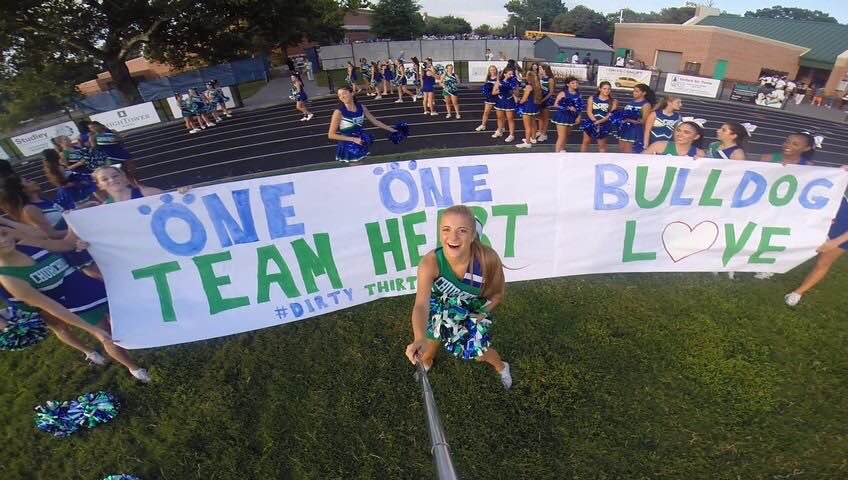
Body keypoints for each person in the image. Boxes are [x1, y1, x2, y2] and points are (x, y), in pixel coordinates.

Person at [0, 229, 151, 382]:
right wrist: (92, 330)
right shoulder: (9, 278)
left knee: (129, 316)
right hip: (79, 305)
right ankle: (134, 368)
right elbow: (52, 307)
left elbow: (65, 244)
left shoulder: (30, 244)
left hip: (95, 286)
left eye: (3, 234)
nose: (3, 240)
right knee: (107, 336)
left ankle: (152, 340)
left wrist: (73, 227)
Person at [403, 205, 512, 389]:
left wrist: (483, 313)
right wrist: (419, 337)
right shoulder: (430, 263)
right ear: (440, 232)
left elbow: (497, 295)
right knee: (429, 345)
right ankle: (427, 363)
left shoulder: (487, 260)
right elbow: (421, 304)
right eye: (446, 229)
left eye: (462, 231)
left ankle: (501, 367)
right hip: (440, 306)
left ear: (472, 236)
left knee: (479, 354)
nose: (453, 237)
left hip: (470, 309)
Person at [784, 188, 848, 306]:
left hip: (843, 233)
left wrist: (836, 241)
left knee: (823, 263)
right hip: (823, 220)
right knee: (792, 246)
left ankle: (798, 292)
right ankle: (775, 268)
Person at [327, 86, 397, 163]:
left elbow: (375, 122)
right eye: (339, 95)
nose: (342, 97)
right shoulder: (338, 112)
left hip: (361, 141)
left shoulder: (361, 107)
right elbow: (331, 135)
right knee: (356, 167)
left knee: (363, 164)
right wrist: (353, 139)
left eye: (344, 93)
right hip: (348, 146)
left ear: (352, 93)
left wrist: (393, 130)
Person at [616, 83, 656, 154]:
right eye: (634, 91)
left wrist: (629, 120)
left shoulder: (646, 104)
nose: (634, 93)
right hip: (625, 129)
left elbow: (644, 121)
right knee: (621, 151)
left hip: (635, 131)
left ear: (644, 93)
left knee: (628, 153)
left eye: (637, 91)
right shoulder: (631, 102)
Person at [580, 81, 617, 153]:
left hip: (604, 124)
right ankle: (582, 159)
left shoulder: (613, 101)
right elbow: (589, 111)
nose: (607, 91)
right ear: (599, 89)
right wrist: (594, 121)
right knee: (586, 142)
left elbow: (610, 115)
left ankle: (602, 162)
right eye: (604, 88)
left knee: (602, 145)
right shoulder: (592, 98)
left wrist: (599, 122)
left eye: (609, 89)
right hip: (591, 122)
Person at [551, 77, 583, 153]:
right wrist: (568, 107)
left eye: (576, 83)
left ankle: (562, 150)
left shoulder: (578, 94)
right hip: (562, 116)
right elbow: (556, 104)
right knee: (561, 136)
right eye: (573, 83)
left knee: (566, 135)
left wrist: (579, 116)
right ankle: (556, 153)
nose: (575, 84)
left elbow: (580, 107)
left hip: (572, 117)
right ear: (567, 84)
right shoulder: (563, 93)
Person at [641, 120, 705, 157]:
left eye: (686, 132)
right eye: (678, 130)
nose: (679, 134)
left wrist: (700, 164)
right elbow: (638, 161)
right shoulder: (658, 146)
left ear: (696, 137)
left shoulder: (699, 154)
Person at [491, 68, 518, 143]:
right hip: (500, 101)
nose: (511, 75)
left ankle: (511, 135)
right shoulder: (499, 82)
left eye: (512, 74)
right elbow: (493, 92)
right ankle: (499, 130)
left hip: (509, 101)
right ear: (505, 74)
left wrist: (513, 91)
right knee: (499, 117)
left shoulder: (513, 82)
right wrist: (502, 90)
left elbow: (516, 93)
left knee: (510, 119)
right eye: (509, 74)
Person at [516, 70, 542, 149]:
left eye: (527, 76)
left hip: (527, 107)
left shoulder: (528, 86)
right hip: (534, 107)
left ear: (529, 78)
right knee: (533, 123)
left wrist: (519, 101)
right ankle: (533, 138)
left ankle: (527, 142)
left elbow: (524, 99)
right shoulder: (537, 85)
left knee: (527, 126)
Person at [536, 64, 556, 143]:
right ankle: (540, 131)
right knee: (540, 117)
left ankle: (544, 134)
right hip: (540, 98)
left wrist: (543, 99)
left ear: (545, 70)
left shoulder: (550, 79)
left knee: (545, 118)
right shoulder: (540, 77)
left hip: (546, 99)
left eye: (541, 69)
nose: (539, 70)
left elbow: (551, 92)